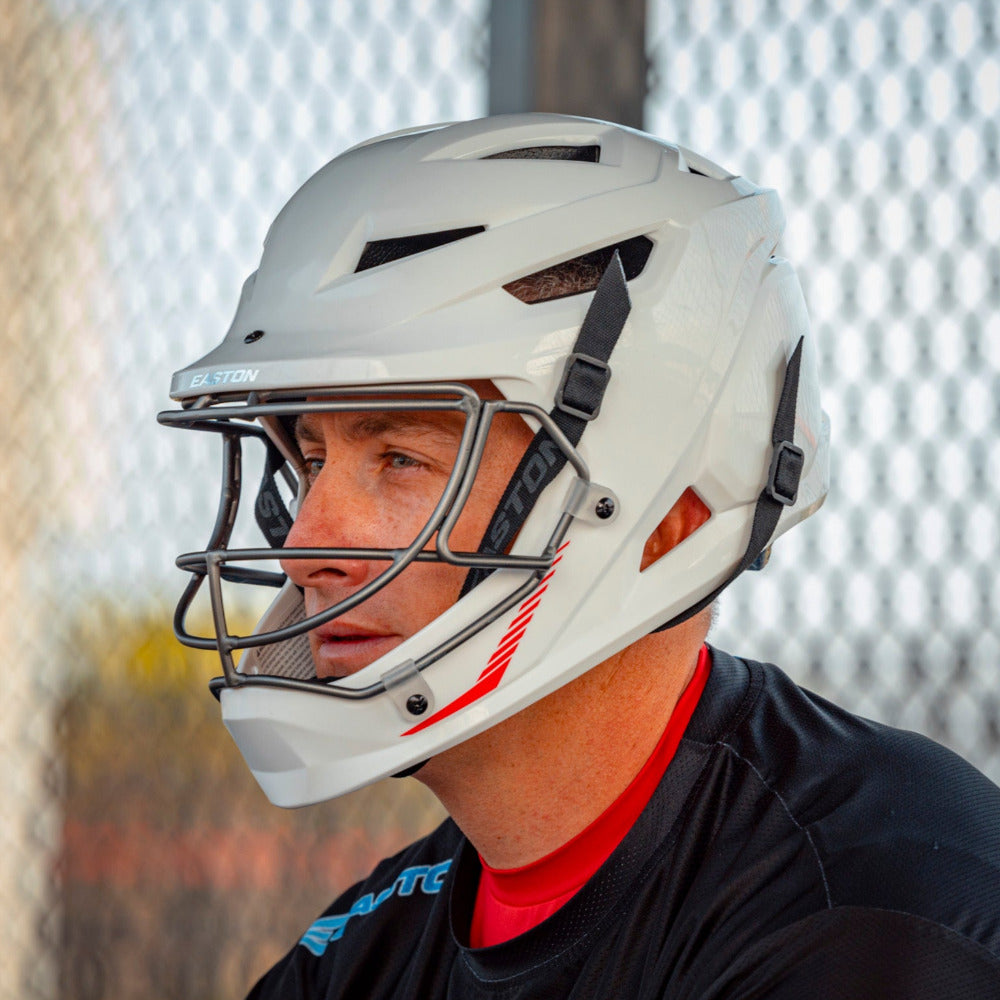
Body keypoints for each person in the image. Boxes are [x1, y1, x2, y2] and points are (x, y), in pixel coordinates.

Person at [160, 114, 1000, 998]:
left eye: (400, 459)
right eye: (313, 459)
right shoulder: (372, 945)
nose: (304, 545)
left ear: (672, 505)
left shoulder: (871, 921)